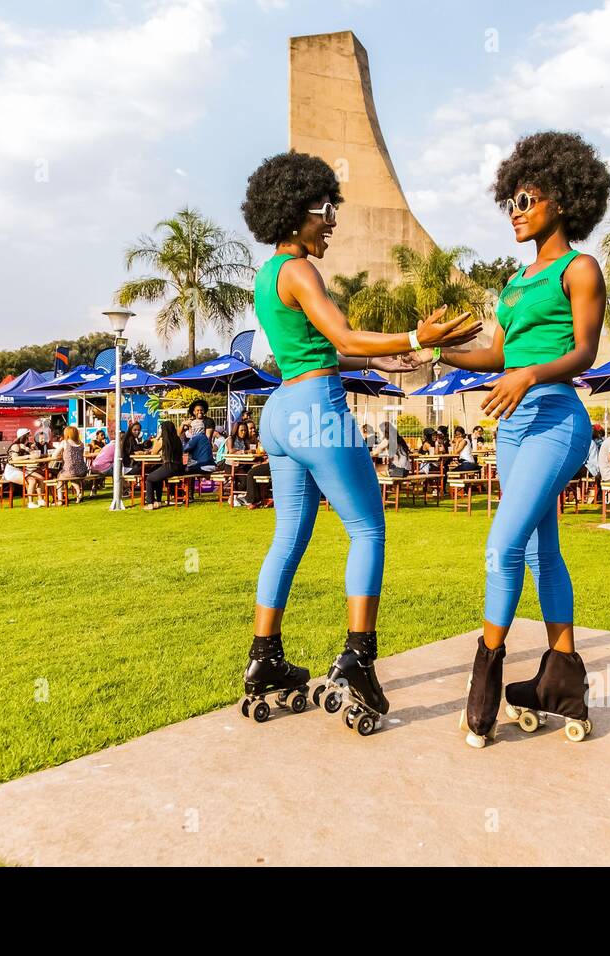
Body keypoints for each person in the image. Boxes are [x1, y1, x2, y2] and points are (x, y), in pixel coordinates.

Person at [237, 149, 480, 732]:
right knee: (368, 528)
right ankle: (357, 660)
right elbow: (341, 331)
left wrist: (394, 356)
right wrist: (413, 333)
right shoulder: (300, 269)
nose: (332, 221)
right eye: (325, 210)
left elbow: (318, 346)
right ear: (294, 213)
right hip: (318, 411)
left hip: (282, 414)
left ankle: (263, 659)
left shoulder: (268, 275)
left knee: (288, 541)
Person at [436, 130, 610, 748]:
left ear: (561, 200)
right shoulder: (514, 283)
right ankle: (563, 682)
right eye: (509, 200)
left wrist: (530, 374)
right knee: (541, 552)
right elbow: (498, 354)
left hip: (556, 419)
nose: (515, 209)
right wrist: (440, 349)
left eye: (526, 198)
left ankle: (484, 681)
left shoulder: (579, 268)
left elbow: (584, 352)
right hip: (512, 423)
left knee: (501, 545)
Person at [143, 420, 184, 510]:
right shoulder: (177, 439)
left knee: (149, 478)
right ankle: (158, 501)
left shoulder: (164, 440)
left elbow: (153, 452)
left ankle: (150, 503)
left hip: (170, 466)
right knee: (158, 478)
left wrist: (157, 438)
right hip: (179, 467)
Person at [54, 425, 89, 504]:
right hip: (82, 470)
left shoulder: (65, 442)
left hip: (70, 470)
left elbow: (54, 455)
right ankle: (78, 492)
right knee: (73, 477)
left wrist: (61, 455)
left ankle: (60, 500)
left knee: (60, 478)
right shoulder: (81, 443)